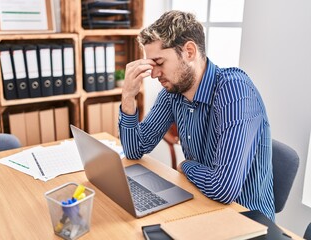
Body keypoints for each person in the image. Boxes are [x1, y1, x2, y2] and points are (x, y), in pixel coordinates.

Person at [118, 10, 275, 220]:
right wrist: (128, 97)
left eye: (159, 62)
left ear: (189, 51)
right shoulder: (173, 93)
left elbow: (223, 188)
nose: (154, 74)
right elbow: (134, 149)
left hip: (246, 219)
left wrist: (186, 165)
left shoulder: (235, 90)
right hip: (203, 205)